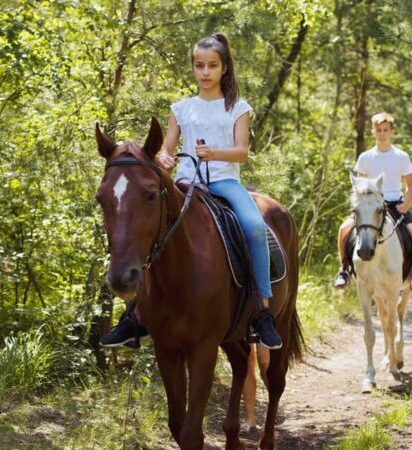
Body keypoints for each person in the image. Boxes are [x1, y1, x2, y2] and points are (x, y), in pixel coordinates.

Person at [100, 32, 283, 350]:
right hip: (186, 183)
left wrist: (215, 153)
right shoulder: (181, 108)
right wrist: (165, 158)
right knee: (152, 228)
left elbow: (241, 152)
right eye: (200, 65)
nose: (205, 72)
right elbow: (166, 153)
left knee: (254, 227)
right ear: (194, 68)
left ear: (224, 68)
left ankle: (262, 311)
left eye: (212, 65)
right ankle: (136, 314)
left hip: (225, 183)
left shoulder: (237, 107)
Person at [334, 112, 412, 291]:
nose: (382, 133)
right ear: (373, 132)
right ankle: (343, 270)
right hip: (369, 207)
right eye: (378, 130)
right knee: (344, 229)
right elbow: (359, 187)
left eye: (385, 130)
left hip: (394, 205)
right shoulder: (365, 158)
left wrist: (405, 204)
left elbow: (410, 187)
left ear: (392, 132)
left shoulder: (401, 156)